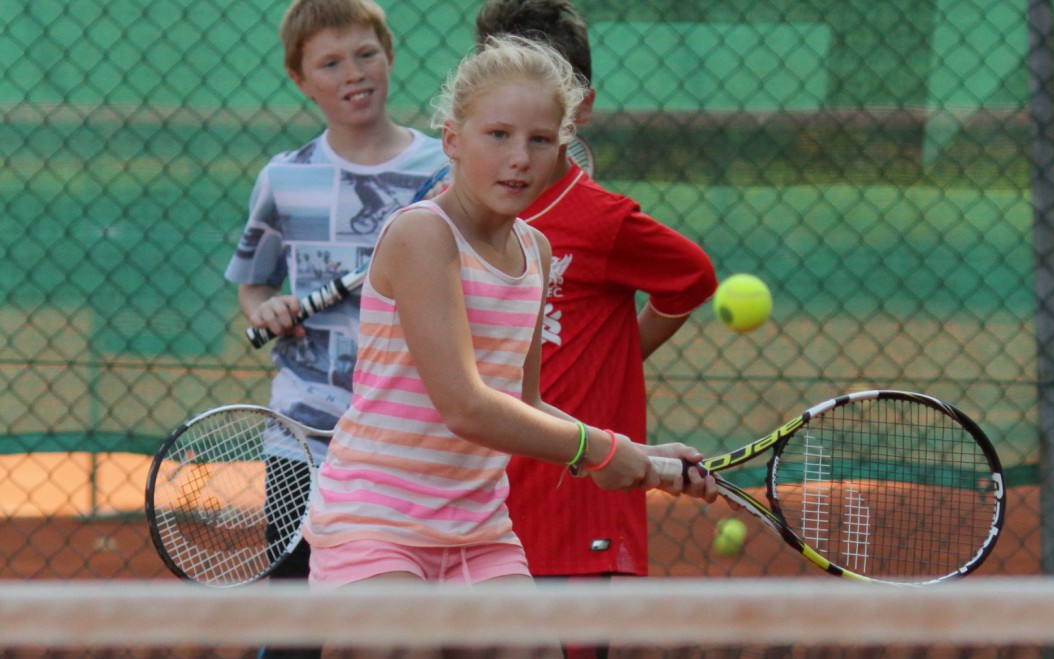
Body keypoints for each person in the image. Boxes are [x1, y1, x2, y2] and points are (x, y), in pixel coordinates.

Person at [301, 34, 715, 605]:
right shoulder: (423, 235)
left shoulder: (536, 251)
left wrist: (642, 455)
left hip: (480, 531)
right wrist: (601, 451)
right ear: (451, 139)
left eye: (540, 140)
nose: (520, 157)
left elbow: (522, 402)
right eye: (498, 135)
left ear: (562, 150)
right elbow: (465, 405)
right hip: (377, 525)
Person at [474, 0, 718, 642]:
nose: (518, 150)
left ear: (577, 106)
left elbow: (692, 278)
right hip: (475, 511)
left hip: (577, 513)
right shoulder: (450, 221)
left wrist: (619, 358)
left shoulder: (600, 219)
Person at [223, 0, 447, 656]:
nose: (353, 73)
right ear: (300, 78)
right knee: (298, 627)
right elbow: (254, 282)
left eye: (364, 54)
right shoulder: (284, 177)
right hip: (302, 438)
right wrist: (265, 307)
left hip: (414, 440)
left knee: (407, 626)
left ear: (390, 55)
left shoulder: (448, 172)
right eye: (330, 62)